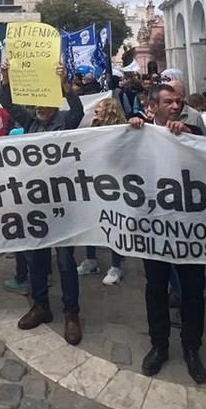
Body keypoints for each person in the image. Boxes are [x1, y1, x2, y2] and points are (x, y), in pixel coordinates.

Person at [0, 61, 86, 345]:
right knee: (35, 257)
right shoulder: (30, 122)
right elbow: (8, 104)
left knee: (64, 262)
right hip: (34, 201)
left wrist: (64, 85)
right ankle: (41, 306)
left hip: (61, 201)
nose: (38, 106)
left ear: (52, 102)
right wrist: (5, 76)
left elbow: (78, 111)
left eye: (42, 102)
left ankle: (71, 314)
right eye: (35, 103)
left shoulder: (66, 121)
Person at [129, 83, 206, 384]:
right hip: (155, 227)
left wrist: (188, 134)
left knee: (192, 289)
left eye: (178, 101)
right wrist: (133, 128)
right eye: (168, 102)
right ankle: (159, 345)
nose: (175, 107)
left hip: (189, 227)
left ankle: (192, 348)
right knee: (156, 288)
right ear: (153, 106)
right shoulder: (142, 132)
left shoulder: (191, 130)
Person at [78, 97, 127, 285]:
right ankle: (91, 260)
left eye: (99, 108)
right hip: (93, 181)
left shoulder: (121, 132)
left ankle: (116, 267)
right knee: (92, 221)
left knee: (112, 224)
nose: (95, 111)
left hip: (114, 184)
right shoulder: (92, 128)